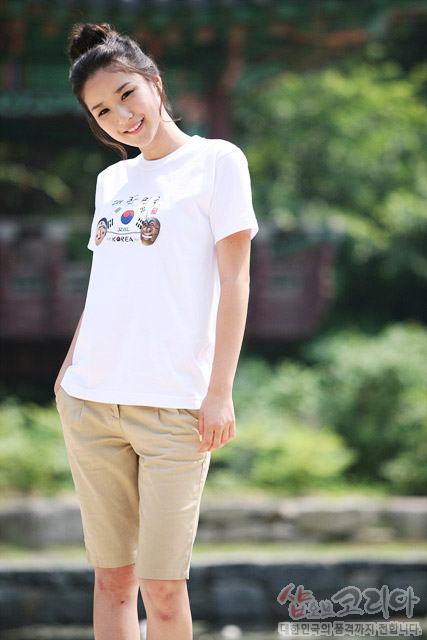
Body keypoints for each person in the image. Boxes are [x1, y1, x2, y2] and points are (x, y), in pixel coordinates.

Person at [54, 21, 259, 640]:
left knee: (164, 590)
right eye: (102, 111)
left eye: (127, 95)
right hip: (92, 403)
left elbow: (236, 281)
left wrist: (219, 392)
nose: (121, 116)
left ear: (154, 83)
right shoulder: (111, 182)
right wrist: (68, 374)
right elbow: (106, 285)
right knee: (112, 581)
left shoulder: (218, 162)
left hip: (174, 409)